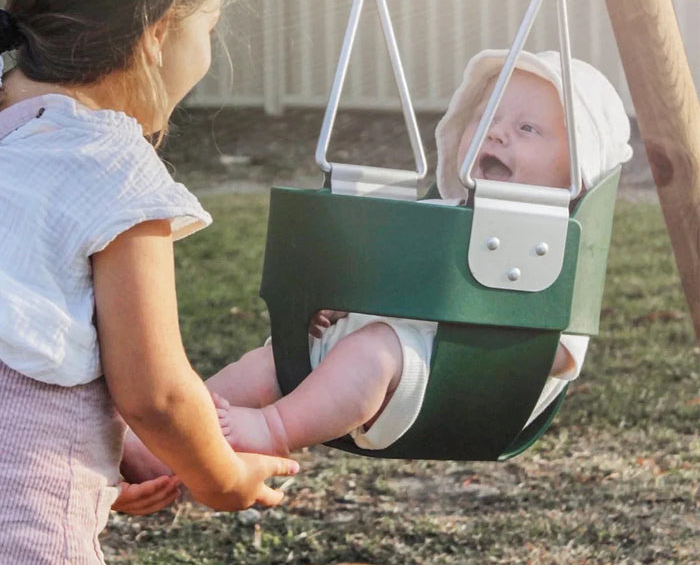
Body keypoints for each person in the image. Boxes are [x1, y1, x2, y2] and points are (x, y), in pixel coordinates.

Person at [121, 48, 632, 475]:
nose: (497, 134)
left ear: (579, 173)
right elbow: (379, 277)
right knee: (275, 360)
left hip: (451, 389)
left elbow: (564, 354)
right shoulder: (441, 215)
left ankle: (274, 429)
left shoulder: (557, 254)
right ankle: (158, 444)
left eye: (527, 128)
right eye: (488, 117)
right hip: (363, 366)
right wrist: (338, 304)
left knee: (376, 352)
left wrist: (492, 334)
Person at [0, 0, 298, 561]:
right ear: (158, 34)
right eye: (210, 26)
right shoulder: (111, 167)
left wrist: (95, 473)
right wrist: (223, 479)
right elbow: (157, 395)